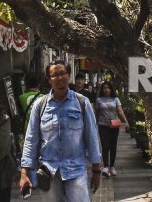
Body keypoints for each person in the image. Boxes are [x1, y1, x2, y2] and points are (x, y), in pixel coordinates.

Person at [19, 60, 102, 201]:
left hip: (76, 170)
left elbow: (92, 137)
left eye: (63, 73)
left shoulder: (82, 102)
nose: (59, 78)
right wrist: (24, 172)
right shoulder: (40, 105)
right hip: (48, 172)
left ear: (69, 76)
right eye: (54, 75)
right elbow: (31, 138)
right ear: (49, 80)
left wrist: (96, 170)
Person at [93, 81, 129, 177]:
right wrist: (93, 124)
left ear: (111, 89)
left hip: (114, 125)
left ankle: (112, 166)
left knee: (113, 146)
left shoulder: (115, 99)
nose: (106, 90)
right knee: (105, 146)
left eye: (108, 88)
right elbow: (96, 113)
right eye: (104, 88)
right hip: (102, 125)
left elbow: (120, 111)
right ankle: (105, 167)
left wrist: (126, 121)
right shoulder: (99, 100)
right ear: (102, 89)